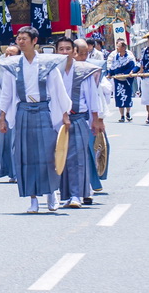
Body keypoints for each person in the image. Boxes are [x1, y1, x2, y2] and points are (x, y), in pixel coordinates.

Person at [0, 26, 71, 213]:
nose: (20, 41)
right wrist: (2, 117)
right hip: (23, 110)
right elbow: (6, 94)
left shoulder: (48, 65)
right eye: (18, 38)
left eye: (24, 38)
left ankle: (51, 193)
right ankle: (33, 199)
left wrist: (64, 114)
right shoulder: (12, 65)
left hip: (43, 110)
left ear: (34, 41)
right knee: (25, 156)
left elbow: (58, 89)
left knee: (48, 153)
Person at [57, 38, 104, 209]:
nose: (64, 52)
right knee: (60, 157)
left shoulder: (84, 71)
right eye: (61, 49)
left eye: (68, 49)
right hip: (59, 120)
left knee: (78, 158)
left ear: (74, 52)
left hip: (78, 118)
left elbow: (92, 96)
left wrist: (96, 120)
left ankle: (77, 194)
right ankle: (65, 194)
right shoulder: (54, 71)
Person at [0, 45, 20, 182]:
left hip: (20, 109)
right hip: (4, 110)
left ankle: (19, 172)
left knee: (18, 143)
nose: (8, 57)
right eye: (6, 54)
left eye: (12, 55)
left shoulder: (21, 70)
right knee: (7, 143)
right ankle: (11, 171)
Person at [106, 38, 137, 122]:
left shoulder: (129, 57)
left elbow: (132, 66)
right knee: (119, 97)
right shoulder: (114, 56)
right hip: (118, 79)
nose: (117, 48)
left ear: (123, 47)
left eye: (119, 46)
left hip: (127, 79)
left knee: (127, 96)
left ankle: (128, 112)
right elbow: (112, 66)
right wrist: (110, 73)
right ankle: (122, 115)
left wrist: (126, 74)